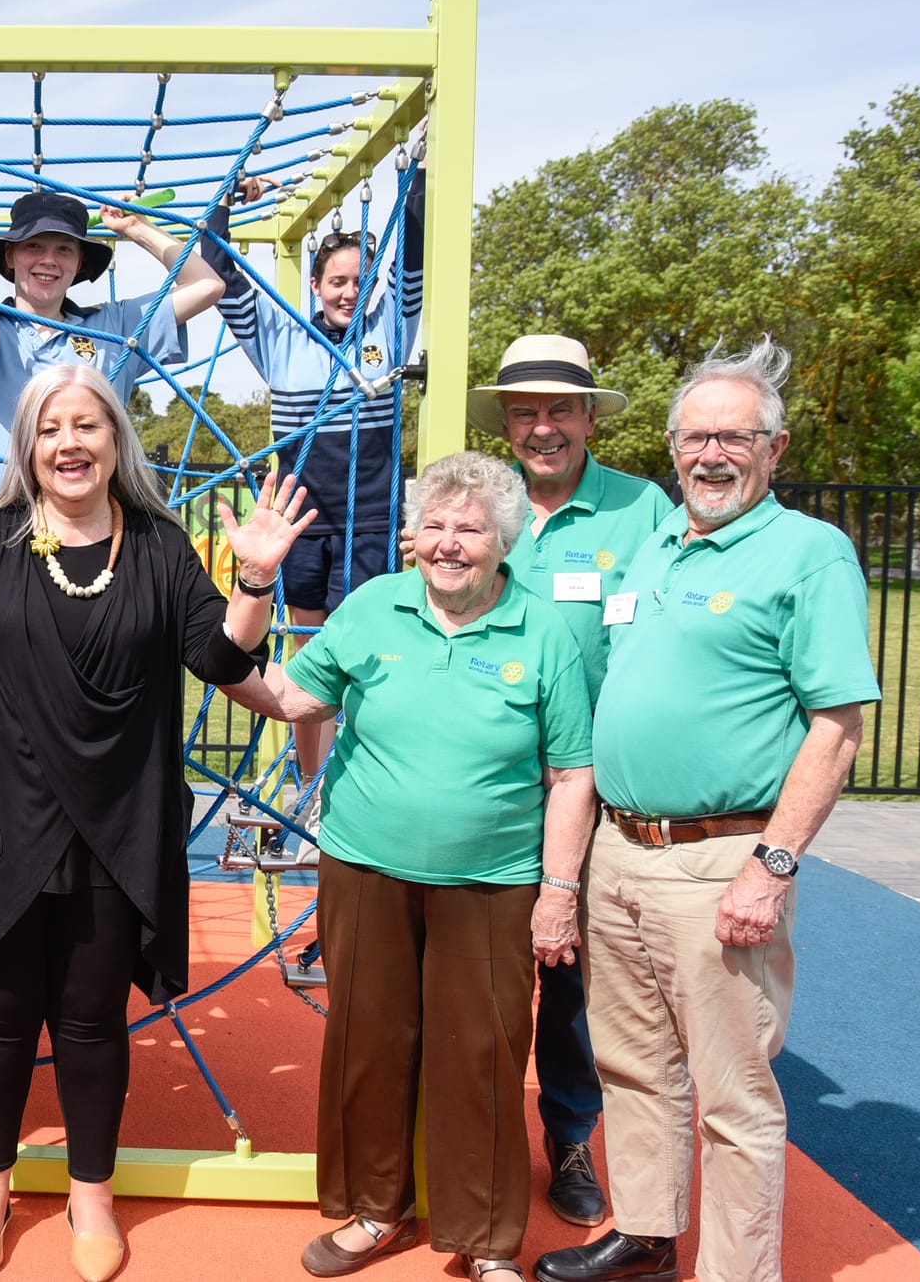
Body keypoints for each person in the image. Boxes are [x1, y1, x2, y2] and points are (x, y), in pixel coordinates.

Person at [0, 363, 313, 1282]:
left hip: (113, 821)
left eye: (88, 425)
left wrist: (252, 577)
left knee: (90, 1018)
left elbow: (216, 653)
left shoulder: (160, 546)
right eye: (51, 429)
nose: (70, 443)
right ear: (29, 446)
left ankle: (93, 1192)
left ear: (116, 439)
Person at [534, 340, 878, 1282]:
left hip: (721, 856)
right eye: (694, 436)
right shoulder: (656, 544)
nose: (710, 454)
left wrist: (772, 865)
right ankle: (646, 1233)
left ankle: (736, 1271)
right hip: (621, 848)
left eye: (734, 435)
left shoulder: (807, 553)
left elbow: (837, 724)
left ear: (776, 446)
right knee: (634, 1065)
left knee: (733, 1092)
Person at [224, 451, 596, 1281]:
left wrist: (559, 893)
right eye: (435, 524)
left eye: (470, 527)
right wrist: (252, 586)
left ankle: (488, 1238)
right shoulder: (373, 609)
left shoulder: (542, 632)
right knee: (369, 1040)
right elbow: (284, 695)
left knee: (486, 1053)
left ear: (502, 542)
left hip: (494, 879)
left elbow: (572, 774)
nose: (450, 542)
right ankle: (374, 1209)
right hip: (367, 867)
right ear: (411, 536)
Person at [465, 333, 673, 1228]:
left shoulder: (642, 510)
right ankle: (471, 1139)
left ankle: (573, 1135)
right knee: (477, 971)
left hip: (589, 788)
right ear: (505, 422)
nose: (542, 426)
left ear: (590, 416)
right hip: (485, 783)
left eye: (560, 409)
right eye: (525, 410)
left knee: (578, 975)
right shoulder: (482, 504)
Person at [199, 161, 425, 830]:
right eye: (337, 281)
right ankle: (308, 784)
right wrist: (225, 201)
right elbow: (220, 273)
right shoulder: (283, 339)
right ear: (317, 286)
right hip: (298, 520)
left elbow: (411, 261)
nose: (349, 292)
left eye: (360, 280)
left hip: (368, 518)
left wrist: (409, 180)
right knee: (307, 654)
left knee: (364, 651)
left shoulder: (390, 334)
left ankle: (358, 780)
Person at [0, 188, 224, 508]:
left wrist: (138, 229)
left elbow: (207, 285)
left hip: (91, 528)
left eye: (64, 249)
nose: (48, 260)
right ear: (10, 255)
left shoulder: (114, 326)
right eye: (33, 245)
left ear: (79, 263)